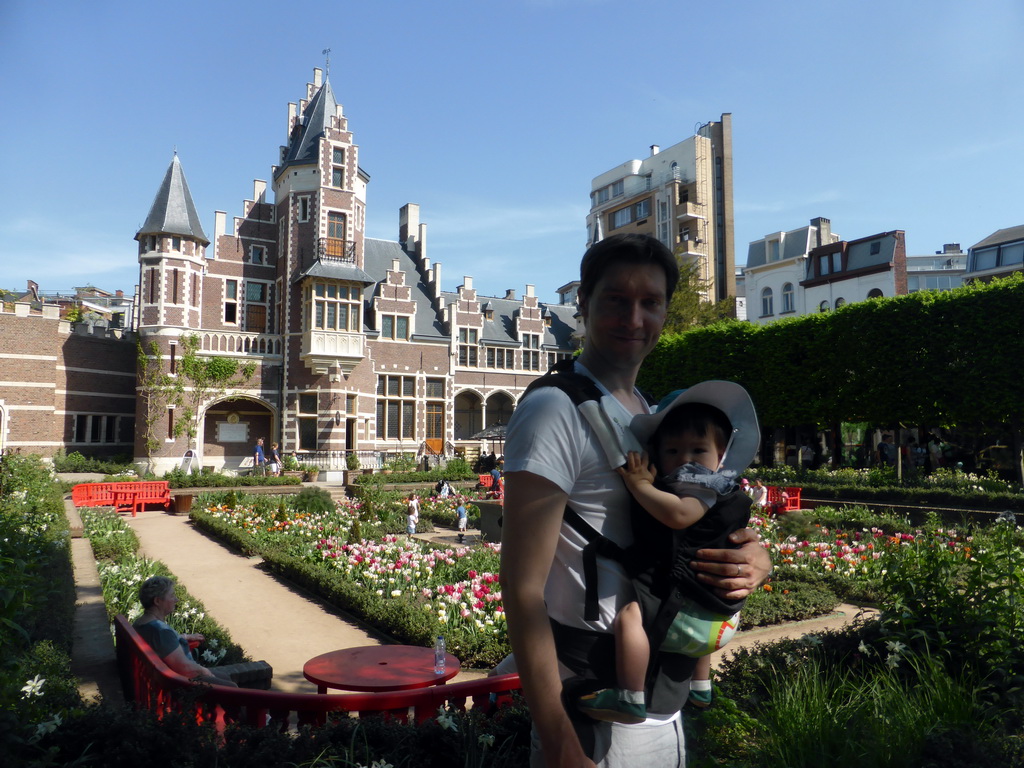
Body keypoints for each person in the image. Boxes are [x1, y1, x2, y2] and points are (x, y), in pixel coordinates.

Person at [500, 233, 772, 768]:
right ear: (583, 303)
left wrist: (755, 559)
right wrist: (558, 741)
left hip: (659, 701)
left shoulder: (644, 412)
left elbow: (686, 524)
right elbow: (521, 587)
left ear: (667, 312)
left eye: (650, 302)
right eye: (616, 300)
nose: (634, 318)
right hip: (593, 709)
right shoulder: (554, 410)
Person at [575, 381, 759, 723]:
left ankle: (630, 695)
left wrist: (640, 484)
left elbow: (678, 515)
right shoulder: (724, 486)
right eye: (673, 452)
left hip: (688, 620)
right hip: (717, 619)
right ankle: (701, 686)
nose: (686, 460)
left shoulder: (699, 484)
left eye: (698, 451)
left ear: (721, 457)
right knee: (693, 597)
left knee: (630, 615)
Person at [133, 576, 237, 686]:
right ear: (157, 601)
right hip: (180, 684)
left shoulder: (141, 623)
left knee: (226, 678)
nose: (176, 600)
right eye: (172, 596)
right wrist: (204, 671)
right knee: (232, 688)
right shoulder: (160, 632)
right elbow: (184, 668)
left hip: (162, 678)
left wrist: (186, 637)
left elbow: (163, 644)